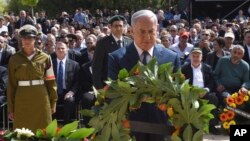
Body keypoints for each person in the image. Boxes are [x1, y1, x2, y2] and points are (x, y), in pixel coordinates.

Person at [108, 9, 180, 141]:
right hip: (130, 128)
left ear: (157, 29)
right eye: (142, 31)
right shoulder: (117, 58)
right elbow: (113, 94)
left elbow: (177, 92)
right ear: (131, 31)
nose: (147, 37)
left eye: (151, 31)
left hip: (162, 127)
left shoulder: (171, 58)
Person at [7, 25, 57, 132]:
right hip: (22, 99)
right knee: (22, 132)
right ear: (21, 40)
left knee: (43, 131)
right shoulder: (14, 59)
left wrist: (53, 102)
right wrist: (11, 109)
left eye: (30, 38)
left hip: (41, 98)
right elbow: (11, 85)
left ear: (35, 39)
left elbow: (51, 82)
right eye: (24, 38)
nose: (27, 41)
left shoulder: (45, 57)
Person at [181, 47, 219, 135]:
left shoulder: (207, 68)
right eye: (193, 56)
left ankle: (212, 125)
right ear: (190, 57)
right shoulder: (184, 68)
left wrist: (206, 90)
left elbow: (211, 81)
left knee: (213, 98)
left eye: (198, 56)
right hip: (190, 93)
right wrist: (190, 91)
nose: (195, 58)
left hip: (204, 92)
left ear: (201, 57)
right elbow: (181, 82)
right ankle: (187, 125)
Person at [92, 15, 133, 89]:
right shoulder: (102, 43)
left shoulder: (129, 42)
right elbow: (96, 67)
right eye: (116, 26)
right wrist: (99, 88)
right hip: (109, 86)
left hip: (127, 86)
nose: (118, 28)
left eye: (121, 26)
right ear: (110, 27)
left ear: (124, 27)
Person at [52, 41, 79, 124]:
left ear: (67, 50)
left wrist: (71, 92)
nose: (60, 50)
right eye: (58, 48)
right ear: (55, 50)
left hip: (67, 91)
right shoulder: (49, 64)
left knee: (70, 100)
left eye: (63, 48)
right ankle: (51, 128)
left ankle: (66, 126)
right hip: (53, 92)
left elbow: (77, 82)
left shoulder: (74, 64)